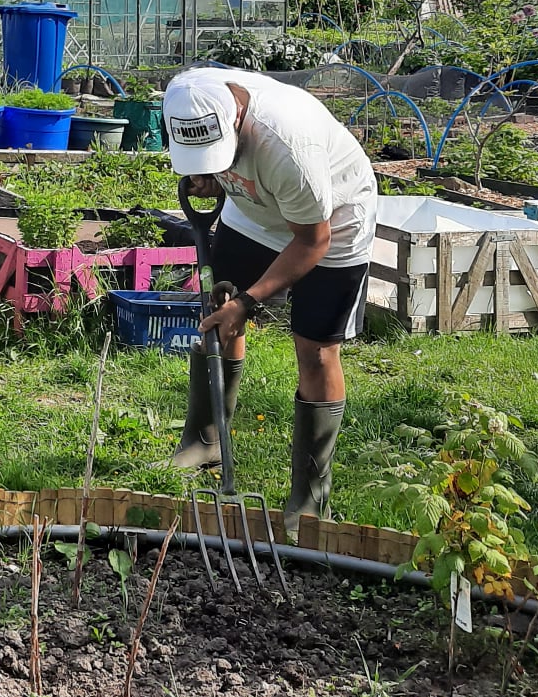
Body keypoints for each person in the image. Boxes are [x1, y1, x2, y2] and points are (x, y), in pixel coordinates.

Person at [161, 65, 378, 536]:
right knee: (221, 315)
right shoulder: (188, 96)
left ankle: (309, 494)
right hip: (254, 216)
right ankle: (205, 440)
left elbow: (311, 240)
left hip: (332, 225)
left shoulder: (288, 144)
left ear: (237, 115)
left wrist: (252, 301)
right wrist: (213, 177)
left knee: (316, 350)